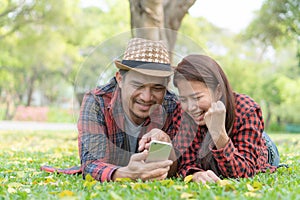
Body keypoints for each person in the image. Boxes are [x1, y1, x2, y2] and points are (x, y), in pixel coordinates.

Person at [77, 38, 181, 182]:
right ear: (120, 79)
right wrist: (126, 174)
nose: (146, 97)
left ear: (167, 84)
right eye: (138, 85)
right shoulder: (96, 101)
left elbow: (176, 170)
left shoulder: (173, 105)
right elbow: (90, 165)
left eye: (157, 88)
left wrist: (167, 144)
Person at [172, 54, 279, 184]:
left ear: (218, 91)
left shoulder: (246, 109)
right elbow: (183, 162)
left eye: (197, 98)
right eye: (184, 99)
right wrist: (195, 174)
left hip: (262, 149)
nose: (190, 107)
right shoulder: (182, 112)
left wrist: (218, 133)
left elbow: (244, 173)